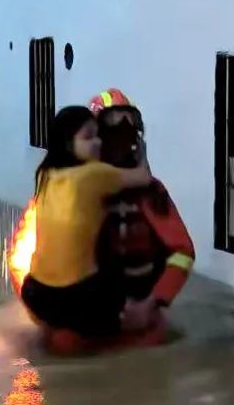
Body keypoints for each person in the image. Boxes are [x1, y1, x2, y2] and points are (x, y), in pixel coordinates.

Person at [19, 105, 153, 338]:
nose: (98, 142)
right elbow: (144, 178)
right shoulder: (94, 174)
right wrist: (142, 151)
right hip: (76, 298)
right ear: (68, 143)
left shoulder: (45, 174)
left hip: (34, 293)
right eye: (88, 137)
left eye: (98, 135)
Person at [91, 89, 195, 335]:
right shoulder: (77, 192)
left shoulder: (151, 193)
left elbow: (183, 252)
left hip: (142, 313)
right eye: (112, 137)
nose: (120, 146)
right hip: (91, 311)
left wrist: (151, 302)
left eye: (127, 136)